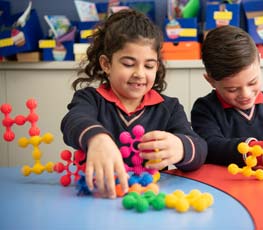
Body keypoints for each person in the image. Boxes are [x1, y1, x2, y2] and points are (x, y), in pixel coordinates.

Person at [61, 9, 207, 199]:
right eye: (129, 64)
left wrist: (181, 147)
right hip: (100, 198)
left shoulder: (168, 108)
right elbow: (73, 120)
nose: (139, 73)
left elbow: (200, 148)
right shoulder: (90, 99)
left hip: (148, 199)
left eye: (148, 66)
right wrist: (97, 138)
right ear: (106, 64)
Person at [191, 25, 263, 167]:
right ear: (211, 81)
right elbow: (210, 146)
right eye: (232, 89)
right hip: (224, 186)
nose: (245, 94)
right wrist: (254, 150)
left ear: (259, 61)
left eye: (253, 82)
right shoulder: (205, 109)